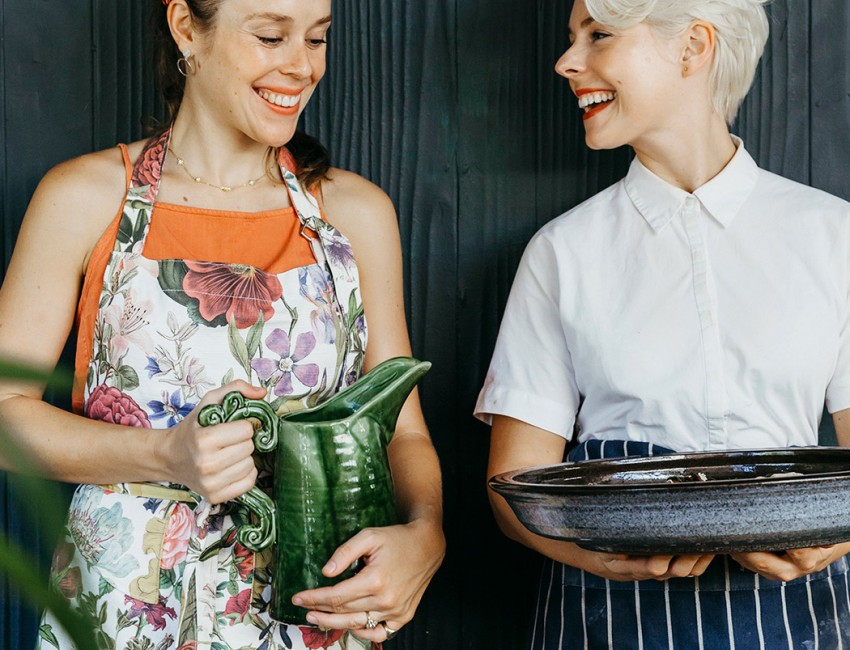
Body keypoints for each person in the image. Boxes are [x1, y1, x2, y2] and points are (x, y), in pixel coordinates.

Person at [0, 0, 445, 647]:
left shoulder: (356, 214)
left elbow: (402, 431)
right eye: (270, 35)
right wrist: (164, 455)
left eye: (316, 39)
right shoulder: (85, 198)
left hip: (315, 611)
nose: (302, 66)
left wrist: (425, 534)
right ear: (186, 27)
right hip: (128, 610)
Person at [476, 0, 850, 647]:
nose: (567, 62)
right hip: (608, 616)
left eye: (599, 34)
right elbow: (512, 489)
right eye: (572, 38)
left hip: (797, 616)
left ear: (693, 46)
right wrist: (599, 561)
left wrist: (834, 539)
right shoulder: (563, 251)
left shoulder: (834, 236)